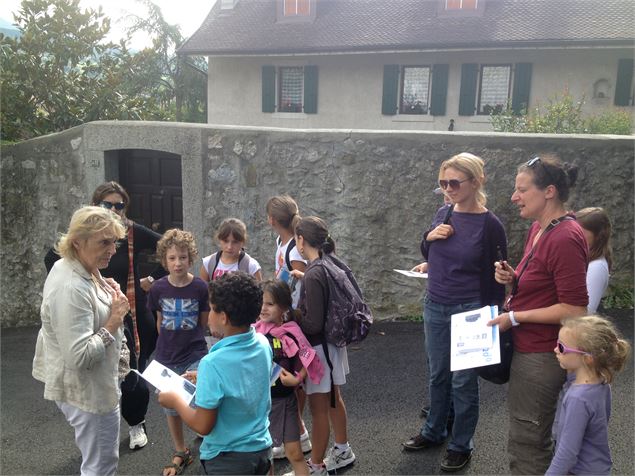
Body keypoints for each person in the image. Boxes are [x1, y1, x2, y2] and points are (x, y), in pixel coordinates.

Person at [402, 153, 507, 473]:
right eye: (443, 183)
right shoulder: (443, 212)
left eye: (454, 183)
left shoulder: (491, 226)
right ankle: (434, 431)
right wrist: (428, 241)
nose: (448, 188)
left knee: (463, 382)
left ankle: (461, 444)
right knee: (438, 374)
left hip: (471, 311)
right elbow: (431, 250)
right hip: (435, 303)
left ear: (476, 182)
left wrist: (498, 306)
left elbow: (499, 272)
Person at [44, 181, 166, 450]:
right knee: (99, 455)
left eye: (120, 205)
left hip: (128, 317)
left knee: (133, 377)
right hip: (105, 322)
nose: (112, 249)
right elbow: (81, 355)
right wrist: (89, 287)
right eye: (107, 204)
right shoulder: (72, 276)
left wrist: (150, 279)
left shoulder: (127, 234)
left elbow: (168, 246)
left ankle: (136, 423)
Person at [490, 155, 589, 475]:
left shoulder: (565, 236)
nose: (514, 197)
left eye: (521, 189)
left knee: (529, 440)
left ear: (548, 191)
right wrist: (512, 277)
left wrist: (516, 317)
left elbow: (575, 309)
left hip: (542, 353)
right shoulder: (540, 227)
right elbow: (541, 281)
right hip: (528, 347)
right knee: (525, 436)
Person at [33, 206, 130, 476]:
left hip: (95, 384)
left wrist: (107, 291)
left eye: (115, 241)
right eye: (104, 242)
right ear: (77, 241)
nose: (113, 249)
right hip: (89, 393)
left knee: (98, 461)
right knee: (101, 466)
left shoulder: (80, 265)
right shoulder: (71, 286)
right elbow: (79, 357)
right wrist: (114, 319)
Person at [158, 272, 273, 475]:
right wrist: (203, 375)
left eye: (211, 309)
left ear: (223, 317)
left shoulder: (213, 363)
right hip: (262, 448)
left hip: (227, 460)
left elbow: (203, 426)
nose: (208, 315)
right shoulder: (263, 343)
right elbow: (244, 378)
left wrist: (175, 401)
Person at [295, 216, 356, 475]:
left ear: (300, 240)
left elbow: (313, 324)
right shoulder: (329, 263)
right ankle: (343, 450)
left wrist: (290, 315)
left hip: (319, 352)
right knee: (334, 399)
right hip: (333, 346)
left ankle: (316, 465)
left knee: (318, 408)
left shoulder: (314, 273)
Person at [147, 229, 210, 476]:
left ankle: (208, 439)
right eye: (172, 258)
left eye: (182, 257)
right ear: (164, 260)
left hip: (194, 352)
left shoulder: (200, 287)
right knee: (171, 408)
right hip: (166, 356)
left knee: (202, 400)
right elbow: (159, 321)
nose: (177, 263)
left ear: (190, 258)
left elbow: (203, 322)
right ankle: (180, 449)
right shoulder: (158, 289)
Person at [255, 280, 324, 476]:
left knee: (294, 453)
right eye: (261, 302)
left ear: (284, 307)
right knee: (264, 456)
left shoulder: (291, 331)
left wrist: (297, 379)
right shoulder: (253, 332)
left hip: (286, 402)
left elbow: (306, 356)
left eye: (270, 304)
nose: (263, 308)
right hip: (261, 404)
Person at [546, 315, 631, 475]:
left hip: (579, 471)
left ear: (587, 359)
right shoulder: (602, 381)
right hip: (598, 467)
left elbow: (568, 453)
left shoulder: (578, 398)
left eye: (562, 347)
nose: (555, 349)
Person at [265, 195, 311, 460]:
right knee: (283, 372)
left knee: (292, 375)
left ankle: (292, 431)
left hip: (293, 316)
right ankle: (299, 433)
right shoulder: (282, 241)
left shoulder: (294, 247)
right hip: (285, 313)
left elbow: (302, 279)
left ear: (271, 220)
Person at [200, 218, 262, 282]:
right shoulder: (209, 263)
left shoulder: (251, 266)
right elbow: (203, 290)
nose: (229, 247)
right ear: (219, 239)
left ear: (243, 242)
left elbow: (259, 290)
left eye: (235, 242)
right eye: (225, 241)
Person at [576, 207, 613, 313]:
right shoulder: (582, 257)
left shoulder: (597, 266)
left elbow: (587, 311)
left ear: (598, 236)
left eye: (580, 232)